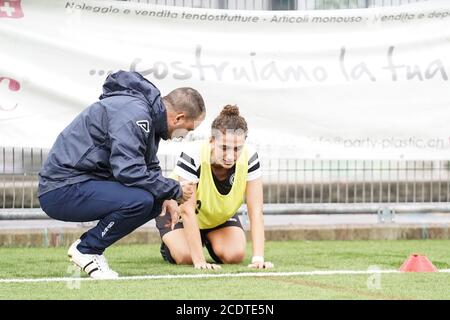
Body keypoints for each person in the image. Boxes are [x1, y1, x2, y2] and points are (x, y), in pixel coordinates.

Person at [38, 70, 205, 279]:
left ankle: (90, 248)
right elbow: (128, 170)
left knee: (153, 200)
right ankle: (87, 249)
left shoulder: (147, 116)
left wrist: (168, 195)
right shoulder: (135, 113)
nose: (185, 135)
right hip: (62, 188)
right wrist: (175, 189)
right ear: (179, 117)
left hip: (80, 182)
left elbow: (148, 166)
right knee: (140, 200)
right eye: (188, 129)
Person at [156, 105, 273, 270]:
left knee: (235, 255)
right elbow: (187, 211)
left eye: (237, 148)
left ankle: (208, 238)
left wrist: (258, 258)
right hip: (179, 213)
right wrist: (199, 262)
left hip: (217, 217)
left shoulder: (250, 156)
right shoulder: (193, 153)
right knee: (186, 257)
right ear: (211, 141)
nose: (231, 155)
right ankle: (174, 244)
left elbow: (256, 211)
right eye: (224, 147)